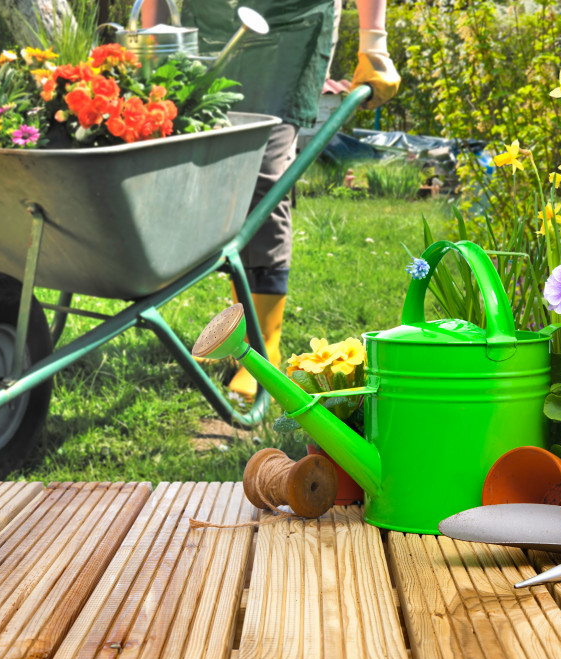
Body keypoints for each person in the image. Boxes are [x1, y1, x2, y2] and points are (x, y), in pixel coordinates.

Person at [144, 0, 400, 400]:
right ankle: (237, 338)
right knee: (212, 164)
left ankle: (261, 349)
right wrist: (153, 36)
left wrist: (374, 44)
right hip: (213, 20)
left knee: (264, 173)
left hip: (293, 24)